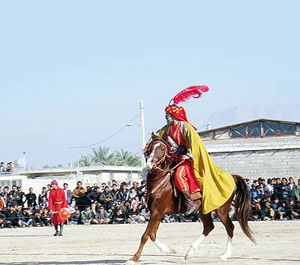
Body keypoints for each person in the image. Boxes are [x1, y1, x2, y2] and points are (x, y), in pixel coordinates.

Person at [156, 100, 235, 215]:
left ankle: (190, 201)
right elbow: (158, 137)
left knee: (179, 176)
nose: (165, 117)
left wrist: (188, 154)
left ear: (174, 116)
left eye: (167, 115)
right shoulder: (167, 128)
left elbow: (194, 143)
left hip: (187, 159)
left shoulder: (185, 127)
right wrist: (148, 146)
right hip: (175, 158)